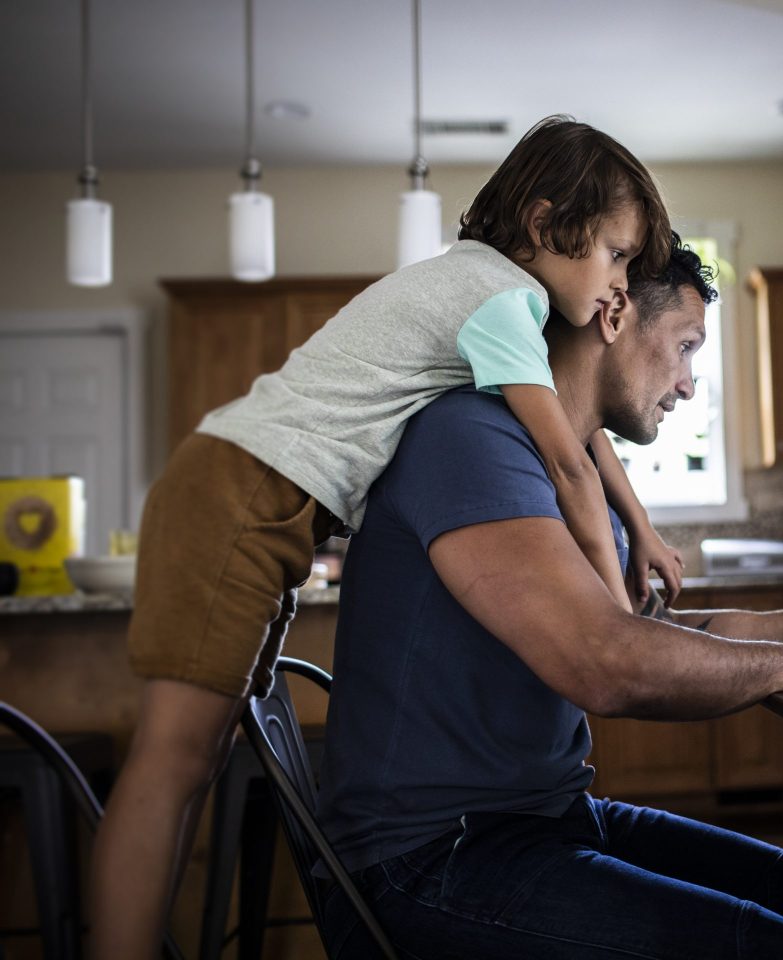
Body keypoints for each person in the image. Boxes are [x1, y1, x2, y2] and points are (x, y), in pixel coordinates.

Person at [89, 116, 686, 957]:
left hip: (259, 498)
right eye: (617, 255)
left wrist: (643, 529)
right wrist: (616, 610)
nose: (620, 283)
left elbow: (579, 433)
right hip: (238, 491)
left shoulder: (487, 294)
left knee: (202, 760)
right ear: (549, 226)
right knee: (173, 761)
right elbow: (567, 463)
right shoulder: (498, 301)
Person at [316, 242, 783, 959]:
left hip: (543, 820)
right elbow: (610, 662)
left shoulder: (572, 465)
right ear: (612, 316)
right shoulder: (470, 438)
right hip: (428, 860)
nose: (688, 385)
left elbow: (659, 632)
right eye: (684, 347)